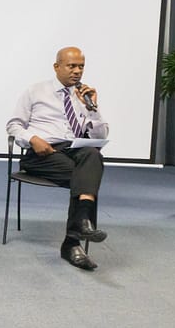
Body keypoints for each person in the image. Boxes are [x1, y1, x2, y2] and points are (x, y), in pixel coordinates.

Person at [6, 46, 109, 271]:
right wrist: (32, 138)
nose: (77, 71)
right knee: (87, 179)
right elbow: (13, 125)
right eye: (71, 66)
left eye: (81, 66)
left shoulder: (85, 96)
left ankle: (74, 237)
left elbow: (101, 136)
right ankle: (74, 240)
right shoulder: (35, 91)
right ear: (57, 66)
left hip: (74, 149)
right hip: (43, 153)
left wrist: (92, 109)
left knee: (92, 155)